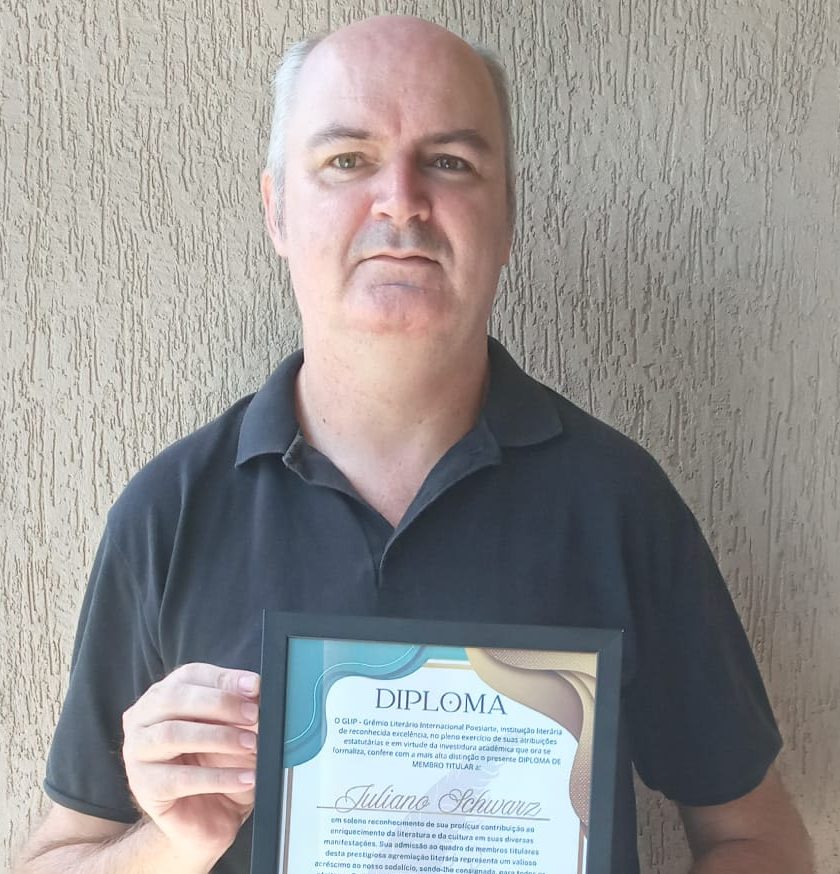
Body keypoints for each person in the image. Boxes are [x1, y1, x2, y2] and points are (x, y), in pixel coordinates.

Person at [16, 14, 811, 874]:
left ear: (506, 217)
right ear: (278, 210)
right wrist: (169, 841)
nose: (400, 200)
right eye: (346, 160)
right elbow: (52, 858)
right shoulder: (170, 512)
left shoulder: (619, 501)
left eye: (450, 162)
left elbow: (760, 840)